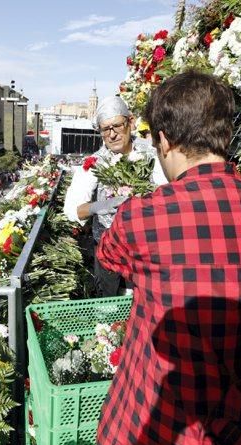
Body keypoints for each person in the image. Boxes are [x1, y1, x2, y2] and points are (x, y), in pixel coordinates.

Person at [95, 72, 241, 445]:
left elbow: (108, 257)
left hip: (156, 423)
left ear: (166, 142)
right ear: (224, 135)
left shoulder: (142, 217)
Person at [64, 96, 167, 297]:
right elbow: (73, 209)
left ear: (131, 122)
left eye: (117, 126)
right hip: (107, 254)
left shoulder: (152, 154)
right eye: (105, 129)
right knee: (109, 311)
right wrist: (98, 207)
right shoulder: (93, 163)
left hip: (148, 252)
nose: (112, 135)